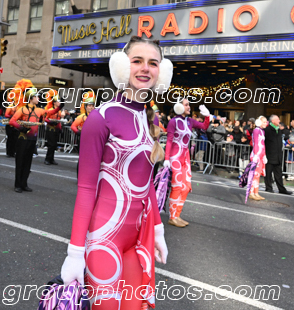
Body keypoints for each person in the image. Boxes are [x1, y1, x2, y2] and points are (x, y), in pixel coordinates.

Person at [60, 36, 170, 308]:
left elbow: (146, 184)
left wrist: (158, 231)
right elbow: (86, 188)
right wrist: (75, 252)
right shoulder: (101, 117)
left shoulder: (151, 119)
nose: (145, 68)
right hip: (103, 241)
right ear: (122, 65)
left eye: (153, 63)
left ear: (162, 71)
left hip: (137, 240)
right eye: (137, 61)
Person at [164, 98, 211, 227]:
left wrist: (207, 116)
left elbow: (204, 127)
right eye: (186, 105)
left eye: (189, 104)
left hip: (185, 158)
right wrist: (167, 158)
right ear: (179, 107)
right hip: (175, 157)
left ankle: (177, 215)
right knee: (177, 186)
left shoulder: (190, 121)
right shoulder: (173, 122)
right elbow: (169, 141)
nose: (189, 107)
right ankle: (172, 217)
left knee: (185, 188)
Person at [10, 86, 61, 192]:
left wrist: (60, 107)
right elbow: (12, 121)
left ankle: (24, 184)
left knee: (28, 162)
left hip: (32, 139)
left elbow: (50, 113)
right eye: (36, 96)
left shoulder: (39, 110)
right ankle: (18, 185)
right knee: (20, 162)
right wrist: (21, 128)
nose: (38, 98)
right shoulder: (22, 109)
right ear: (31, 98)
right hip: (23, 139)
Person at [264, 114, 292, 194]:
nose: (279, 121)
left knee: (279, 174)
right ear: (273, 121)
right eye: (277, 119)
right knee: (268, 173)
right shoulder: (267, 130)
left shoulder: (279, 130)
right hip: (269, 155)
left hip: (278, 156)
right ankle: (268, 187)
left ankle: (281, 189)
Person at [71, 91, 96, 177]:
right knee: (82, 159)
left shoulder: (96, 116)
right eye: (89, 106)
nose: (91, 107)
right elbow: (73, 126)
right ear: (85, 107)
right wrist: (78, 133)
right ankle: (80, 176)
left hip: (92, 141)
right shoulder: (81, 117)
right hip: (82, 140)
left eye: (92, 106)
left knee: (91, 159)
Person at [248, 116, 268, 200]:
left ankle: (256, 192)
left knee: (258, 175)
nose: (265, 123)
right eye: (264, 122)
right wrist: (256, 155)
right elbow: (256, 143)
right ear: (259, 122)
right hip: (256, 155)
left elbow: (263, 144)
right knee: (254, 174)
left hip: (261, 155)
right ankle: (251, 193)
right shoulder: (256, 130)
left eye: (266, 122)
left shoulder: (262, 131)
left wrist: (264, 155)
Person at [44, 89, 63, 165]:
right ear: (54, 102)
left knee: (54, 145)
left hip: (56, 129)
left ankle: (51, 159)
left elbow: (59, 121)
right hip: (50, 129)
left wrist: (60, 129)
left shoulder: (59, 111)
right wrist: (50, 122)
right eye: (58, 101)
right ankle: (47, 159)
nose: (59, 103)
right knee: (51, 145)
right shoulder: (50, 110)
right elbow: (45, 118)